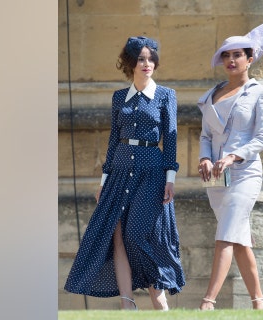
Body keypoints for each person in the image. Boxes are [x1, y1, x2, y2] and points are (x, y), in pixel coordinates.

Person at [64, 36, 185, 311]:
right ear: (131, 63)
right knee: (116, 234)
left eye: (151, 58)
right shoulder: (119, 97)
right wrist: (103, 181)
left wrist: (170, 179)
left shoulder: (166, 95)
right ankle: (127, 303)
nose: (147, 64)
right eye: (141, 59)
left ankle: (158, 293)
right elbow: (112, 140)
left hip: (151, 171)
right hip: (118, 170)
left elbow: (171, 140)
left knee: (137, 233)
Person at [196, 22, 263, 311]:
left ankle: (207, 303)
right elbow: (205, 136)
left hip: (245, 173)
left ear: (249, 59)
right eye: (226, 55)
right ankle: (259, 301)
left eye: (237, 55)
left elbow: (262, 138)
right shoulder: (211, 95)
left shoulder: (262, 93)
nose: (231, 60)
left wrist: (232, 156)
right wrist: (205, 158)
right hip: (215, 178)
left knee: (226, 234)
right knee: (238, 238)